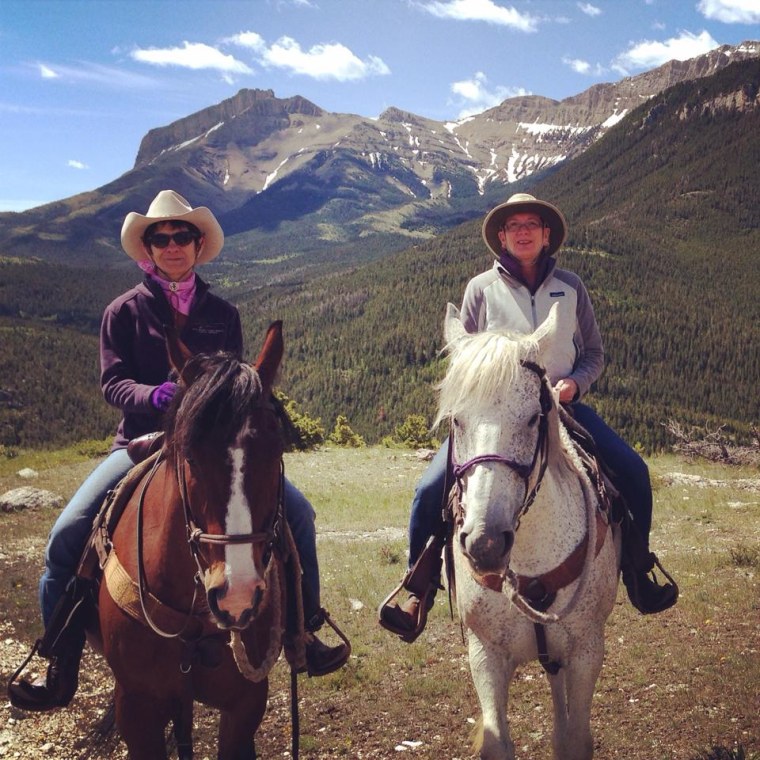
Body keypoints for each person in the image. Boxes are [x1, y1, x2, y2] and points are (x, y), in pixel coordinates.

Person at [8, 190, 349, 712]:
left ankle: (303, 633)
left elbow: (235, 387)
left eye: (181, 236)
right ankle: (60, 658)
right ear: (147, 249)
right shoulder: (122, 311)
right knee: (66, 536)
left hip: (208, 450)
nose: (172, 245)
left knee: (298, 514)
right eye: (161, 238)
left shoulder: (222, 314)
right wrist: (156, 396)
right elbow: (113, 383)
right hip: (141, 444)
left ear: (196, 244)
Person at [379, 192, 678, 641]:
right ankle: (418, 588)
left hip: (563, 405)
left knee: (633, 471)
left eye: (530, 225)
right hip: (497, 414)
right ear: (501, 236)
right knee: (428, 490)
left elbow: (593, 354)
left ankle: (638, 568)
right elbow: (467, 359)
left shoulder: (572, 287)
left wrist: (575, 383)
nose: (522, 232)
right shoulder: (481, 289)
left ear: (545, 235)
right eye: (513, 225)